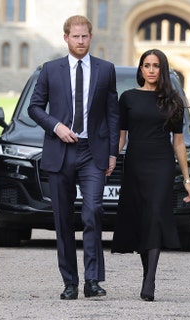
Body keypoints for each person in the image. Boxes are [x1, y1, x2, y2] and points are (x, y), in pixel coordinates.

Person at [27, 15, 119, 300]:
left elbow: (112, 113)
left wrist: (113, 152)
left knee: (93, 211)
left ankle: (92, 280)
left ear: (91, 37)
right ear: (65, 37)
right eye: (75, 36)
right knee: (63, 219)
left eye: (85, 36)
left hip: (93, 151)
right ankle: (70, 282)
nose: (80, 41)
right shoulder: (50, 70)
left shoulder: (106, 70)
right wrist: (56, 126)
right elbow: (35, 107)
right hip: (61, 151)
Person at [111, 49, 190, 302]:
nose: (150, 70)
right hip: (135, 163)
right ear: (141, 69)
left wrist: (187, 179)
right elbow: (121, 136)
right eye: (146, 65)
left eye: (155, 66)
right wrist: (111, 159)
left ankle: (150, 280)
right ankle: (148, 273)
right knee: (141, 219)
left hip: (161, 164)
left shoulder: (172, 101)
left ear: (162, 69)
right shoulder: (128, 98)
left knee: (156, 215)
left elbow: (178, 143)